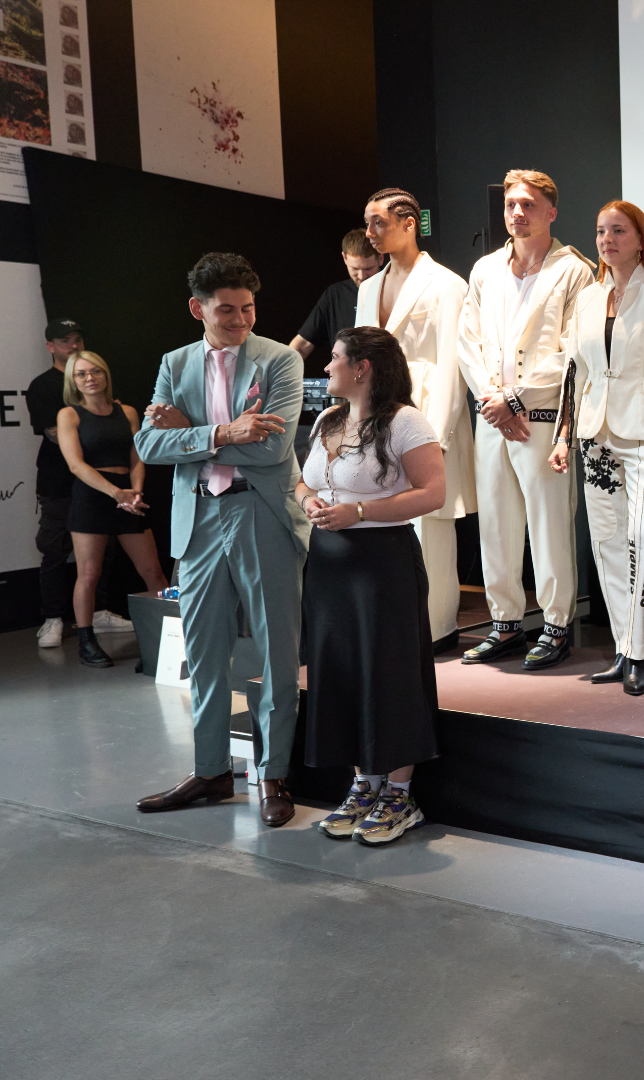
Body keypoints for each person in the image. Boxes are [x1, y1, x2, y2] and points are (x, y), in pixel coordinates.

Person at [134, 253, 309, 828]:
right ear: (197, 309)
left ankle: (273, 773)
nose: (239, 319)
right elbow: (147, 446)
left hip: (261, 513)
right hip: (199, 519)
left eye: (248, 308)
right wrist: (224, 432)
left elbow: (273, 449)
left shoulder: (279, 359)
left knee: (277, 652)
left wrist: (190, 432)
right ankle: (210, 771)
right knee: (205, 655)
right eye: (226, 310)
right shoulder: (175, 362)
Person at [298, 327, 445, 845]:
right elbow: (304, 481)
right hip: (328, 567)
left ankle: (400, 796)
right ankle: (365, 784)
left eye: (335, 359)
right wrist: (309, 501)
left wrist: (359, 511)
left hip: (383, 565)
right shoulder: (327, 419)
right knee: (342, 673)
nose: (326, 367)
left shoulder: (406, 422)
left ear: (362, 367)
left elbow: (433, 493)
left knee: (389, 673)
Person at [457, 170, 595, 670]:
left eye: (529, 204)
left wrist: (516, 398)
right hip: (493, 418)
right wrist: (493, 401)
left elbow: (574, 349)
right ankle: (506, 624)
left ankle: (556, 627)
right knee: (496, 523)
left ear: (551, 212)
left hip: (541, 416)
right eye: (511, 204)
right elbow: (467, 341)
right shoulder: (485, 269)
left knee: (548, 525)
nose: (517, 212)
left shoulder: (574, 270)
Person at [557, 200, 644, 696]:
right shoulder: (587, 299)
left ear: (640, 239)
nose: (606, 240)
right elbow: (575, 371)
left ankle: (638, 647)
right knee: (608, 545)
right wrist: (563, 435)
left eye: (618, 231)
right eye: (600, 231)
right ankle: (627, 650)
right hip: (596, 435)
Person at [355, 187, 475, 650]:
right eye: (367, 223)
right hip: (377, 417)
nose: (370, 232)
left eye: (378, 222)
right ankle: (394, 627)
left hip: (426, 411)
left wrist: (436, 437)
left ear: (409, 223)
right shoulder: (368, 288)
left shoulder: (447, 284)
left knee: (431, 527)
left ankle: (436, 629)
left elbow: (452, 365)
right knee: (381, 525)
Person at [53, 350, 171, 668]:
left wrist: (135, 491)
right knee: (89, 574)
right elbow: (75, 465)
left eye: (95, 371)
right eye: (81, 374)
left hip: (128, 497)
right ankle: (87, 642)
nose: (90, 378)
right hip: (92, 497)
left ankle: (173, 638)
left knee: (153, 572)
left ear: (105, 374)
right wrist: (116, 492)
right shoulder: (69, 415)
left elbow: (137, 455)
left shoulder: (127, 412)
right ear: (73, 381)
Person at [29, 319, 126, 647]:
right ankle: (53, 618)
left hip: (99, 483)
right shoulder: (43, 386)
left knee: (104, 549)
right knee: (55, 549)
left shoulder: (99, 386)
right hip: (59, 482)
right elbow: (56, 435)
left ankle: (99, 612)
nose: (73, 346)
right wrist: (95, 436)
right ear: (50, 346)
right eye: (64, 340)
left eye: (77, 339)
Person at [290, 230, 385, 371]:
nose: (361, 276)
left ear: (381, 258)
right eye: (354, 269)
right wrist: (277, 374)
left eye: (368, 268)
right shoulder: (334, 294)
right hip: (345, 380)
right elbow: (303, 343)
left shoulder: (393, 291)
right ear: (344, 258)